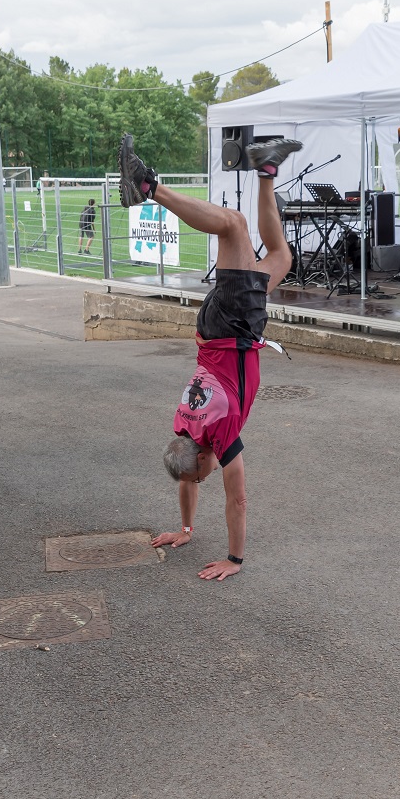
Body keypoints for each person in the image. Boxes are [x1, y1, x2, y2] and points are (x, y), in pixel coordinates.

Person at [118, 131, 302, 581]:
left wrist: (233, 560)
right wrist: (185, 528)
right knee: (281, 256)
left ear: (201, 457)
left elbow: (237, 499)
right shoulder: (183, 426)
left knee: (233, 224)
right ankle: (266, 170)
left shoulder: (218, 433)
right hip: (215, 330)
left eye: (203, 473)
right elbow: (187, 475)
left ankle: (147, 188)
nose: (203, 476)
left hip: (235, 328)